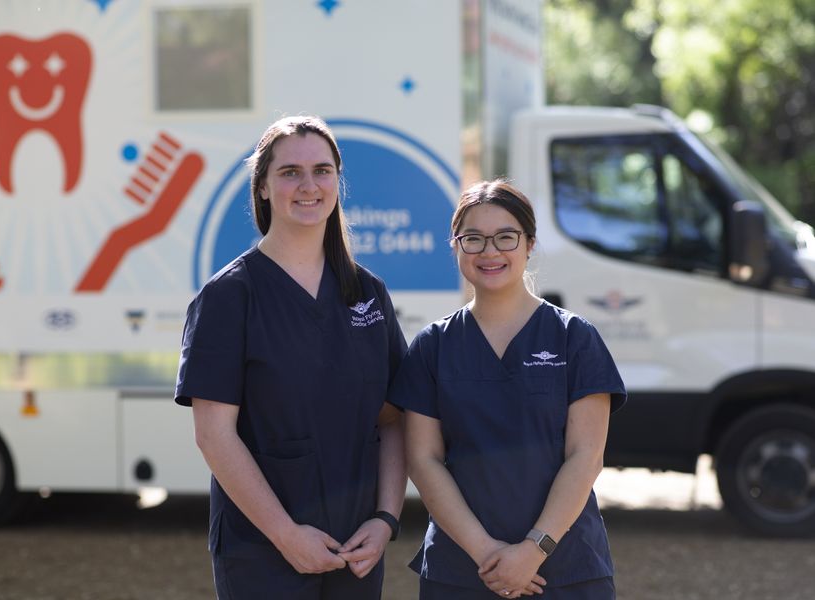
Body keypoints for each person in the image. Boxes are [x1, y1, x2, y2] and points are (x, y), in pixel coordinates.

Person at [174, 116, 407, 599]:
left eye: (322, 171)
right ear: (262, 187)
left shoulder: (367, 293)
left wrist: (386, 518)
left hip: (355, 550)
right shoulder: (229, 297)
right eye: (289, 172)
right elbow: (214, 435)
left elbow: (393, 420)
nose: (308, 185)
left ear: (338, 182)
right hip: (262, 551)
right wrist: (285, 534)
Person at [390, 179, 626, 599]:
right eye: (474, 239)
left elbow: (586, 457)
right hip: (462, 572)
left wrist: (534, 550)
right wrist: (489, 555)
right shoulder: (432, 347)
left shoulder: (574, 338)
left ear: (530, 243)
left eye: (505, 237)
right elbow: (424, 461)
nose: (490, 251)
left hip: (564, 570)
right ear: (456, 246)